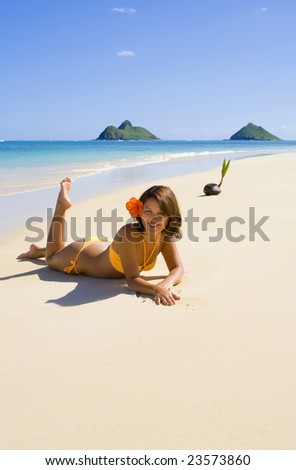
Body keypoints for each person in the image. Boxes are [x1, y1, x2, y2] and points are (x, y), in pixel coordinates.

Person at [18, 178, 184, 306]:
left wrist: (167, 282)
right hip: (80, 255)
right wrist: (156, 289)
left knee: (54, 252)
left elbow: (178, 269)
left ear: (170, 216)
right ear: (139, 213)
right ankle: (61, 206)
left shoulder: (165, 233)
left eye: (161, 214)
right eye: (148, 211)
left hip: (104, 246)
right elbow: (132, 280)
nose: (154, 219)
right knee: (51, 259)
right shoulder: (128, 234)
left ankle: (38, 251)